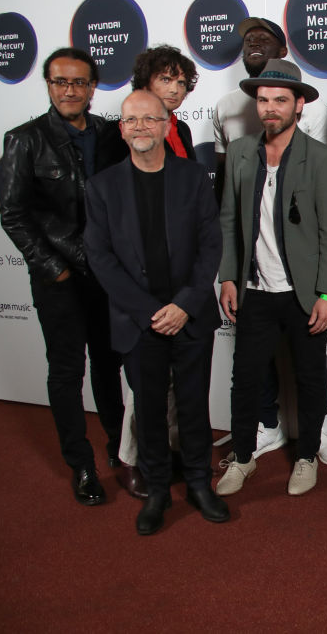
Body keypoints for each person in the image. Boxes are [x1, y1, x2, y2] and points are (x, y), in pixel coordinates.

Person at [84, 90, 227, 535]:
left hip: (190, 315)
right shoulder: (102, 187)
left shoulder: (193, 177)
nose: (140, 127)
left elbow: (211, 245)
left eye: (150, 119)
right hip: (139, 321)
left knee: (193, 405)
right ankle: (158, 491)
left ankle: (200, 484)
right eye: (132, 121)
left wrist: (183, 304)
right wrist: (151, 312)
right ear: (122, 129)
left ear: (166, 125)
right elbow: (101, 258)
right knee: (147, 411)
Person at [0, 47, 127, 506]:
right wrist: (55, 269)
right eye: (60, 81)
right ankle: (82, 465)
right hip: (59, 277)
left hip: (107, 275)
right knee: (67, 372)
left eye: (78, 82)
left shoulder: (111, 135)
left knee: (109, 366)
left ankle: (119, 447)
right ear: (49, 85)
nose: (69, 90)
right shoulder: (25, 140)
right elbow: (13, 214)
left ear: (93, 87)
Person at [211, 17, 327, 466]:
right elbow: (229, 220)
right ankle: (243, 457)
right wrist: (228, 277)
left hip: (304, 292)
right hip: (254, 291)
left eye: (280, 100)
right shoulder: (240, 153)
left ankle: (307, 456)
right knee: (245, 379)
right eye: (264, 100)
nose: (270, 108)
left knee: (310, 378)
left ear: (299, 105)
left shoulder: (321, 158)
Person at [114, 44, 203, 500]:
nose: (174, 89)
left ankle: (164, 454)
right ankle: (131, 459)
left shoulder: (179, 130)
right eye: (166, 79)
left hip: (179, 276)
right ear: (145, 83)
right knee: (142, 386)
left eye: (181, 82)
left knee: (172, 383)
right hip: (138, 283)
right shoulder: (128, 131)